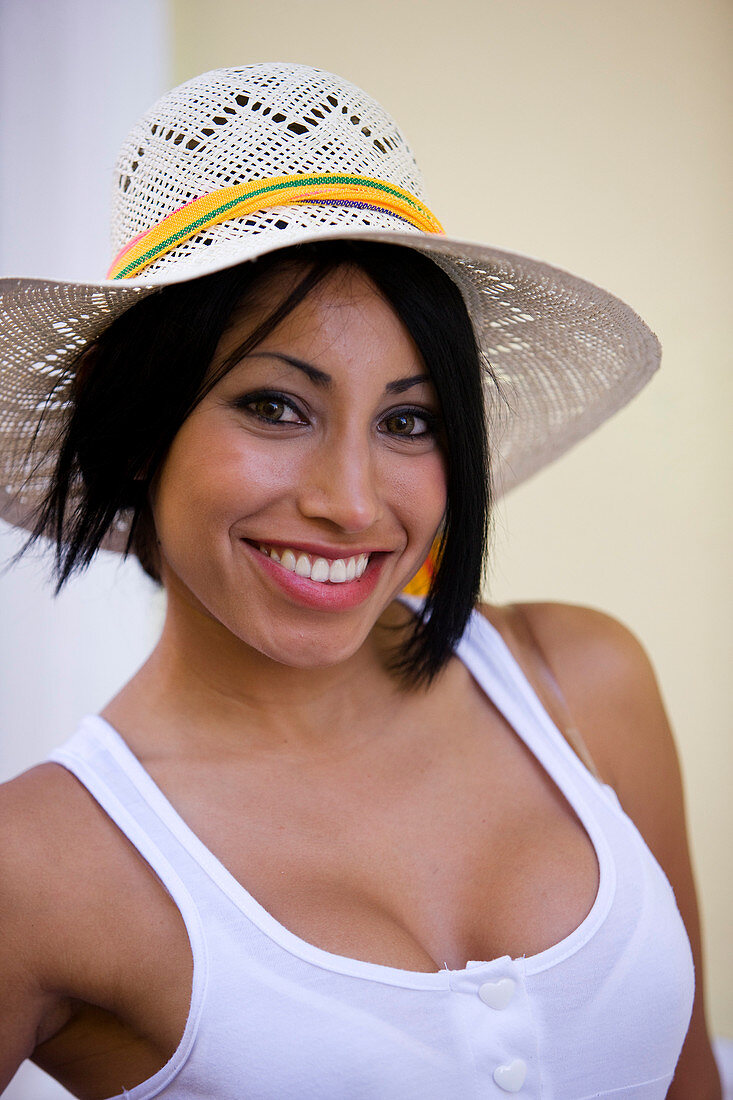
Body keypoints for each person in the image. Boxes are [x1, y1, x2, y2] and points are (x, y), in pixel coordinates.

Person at [0, 63, 720, 1099]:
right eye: (275, 407)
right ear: (135, 440)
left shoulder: (583, 683)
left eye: (408, 420)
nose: (350, 500)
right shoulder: (41, 866)